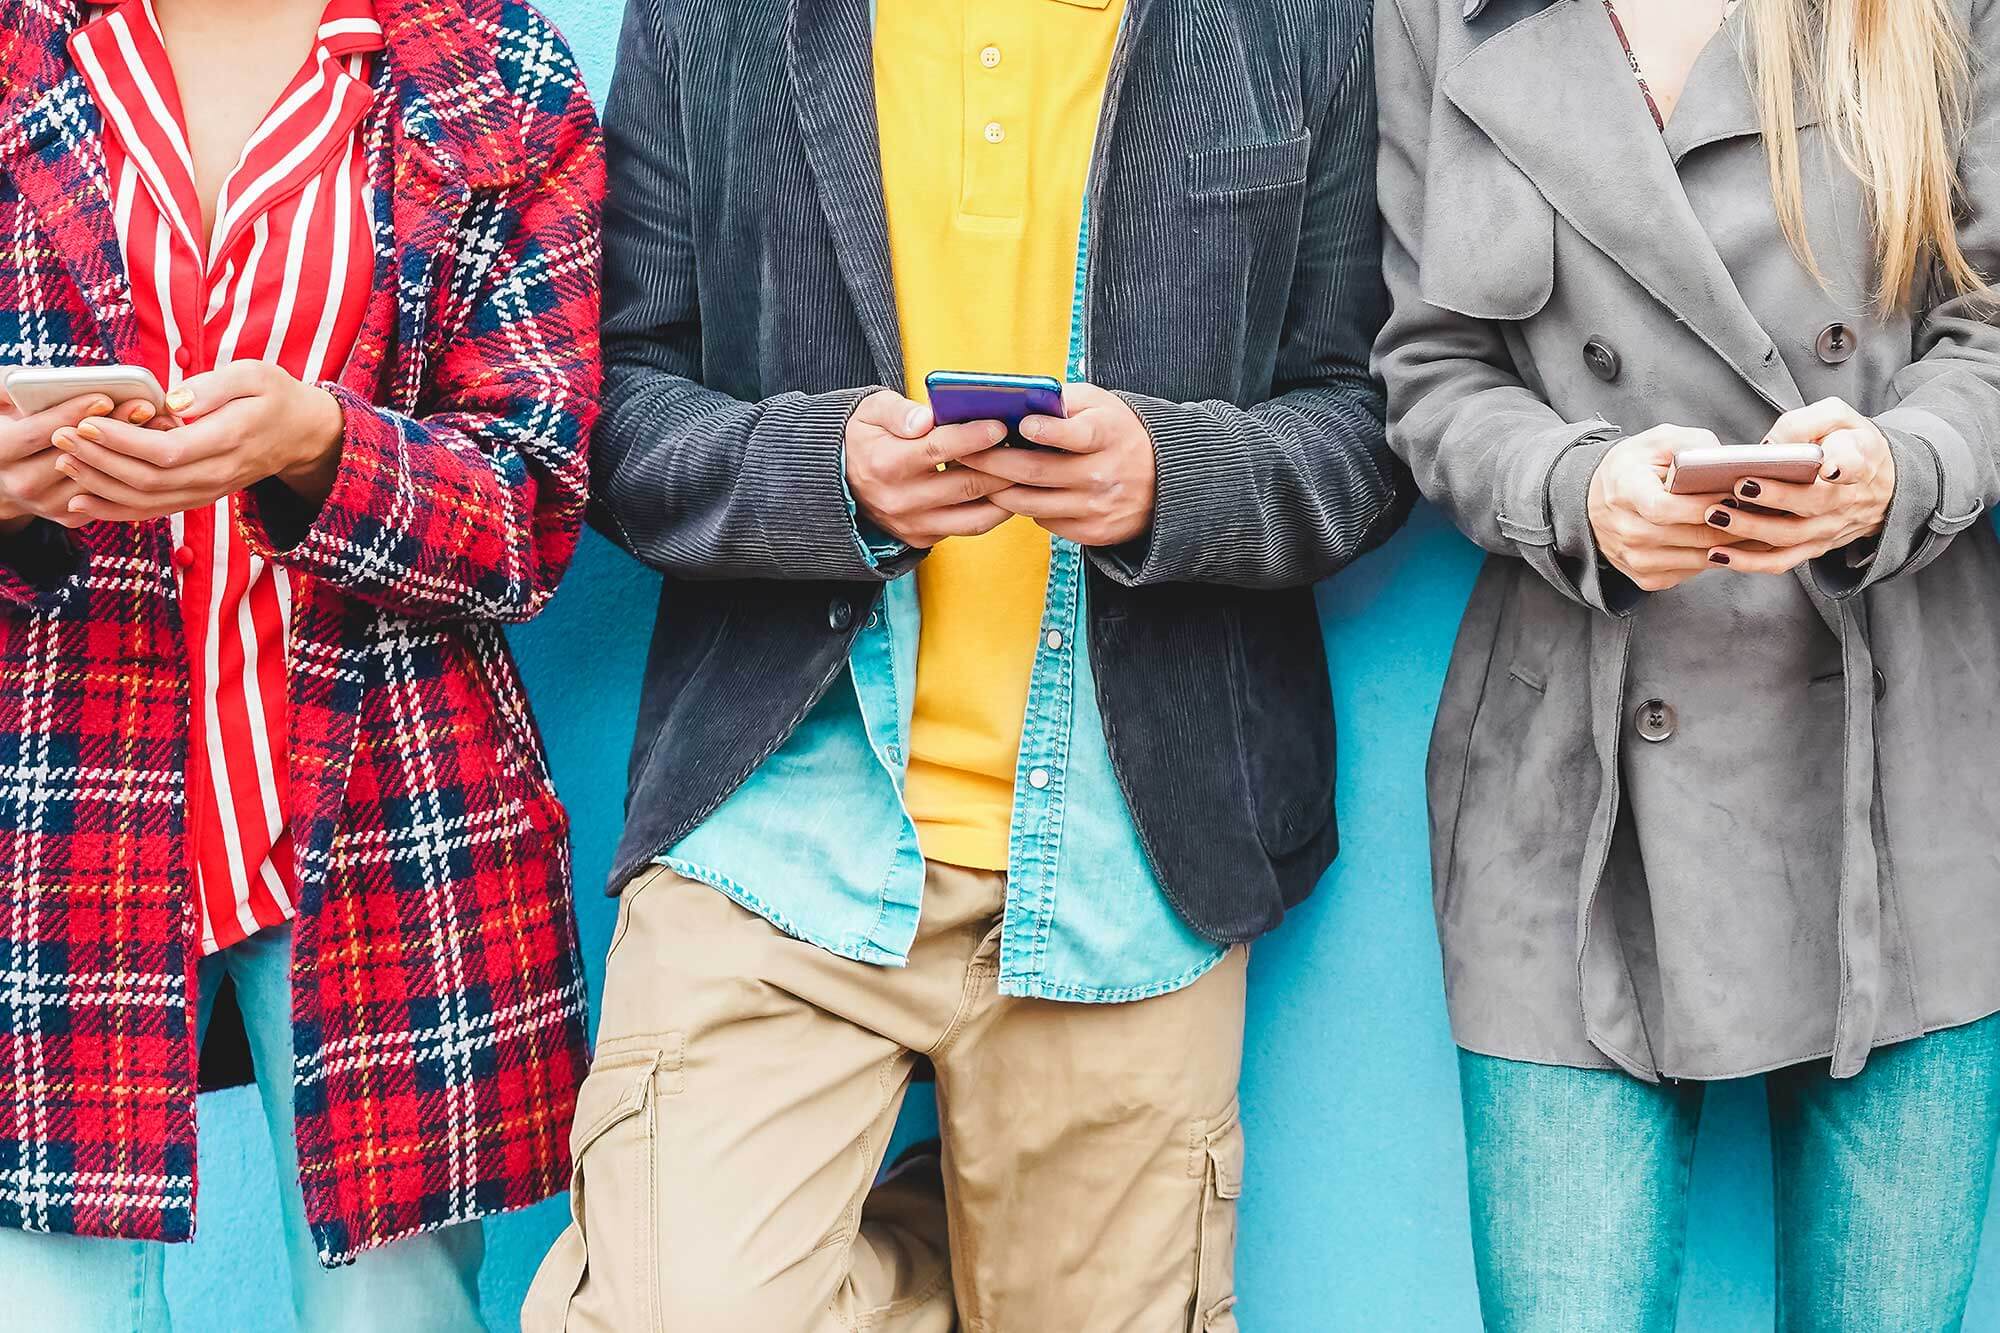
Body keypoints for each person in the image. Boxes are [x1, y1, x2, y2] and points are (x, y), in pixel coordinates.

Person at [524, 0, 1409, 1327]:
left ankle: (1008, 1236)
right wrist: (828, 472)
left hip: (1135, 854)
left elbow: (1367, 420)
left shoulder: (1300, 21)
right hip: (784, 815)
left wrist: (1173, 476)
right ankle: (967, 1242)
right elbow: (617, 403)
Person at [1376, 0, 2000, 1325]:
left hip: (1899, 776)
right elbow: (1433, 369)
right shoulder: (1441, 14)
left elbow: (1993, 328)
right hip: (1570, 789)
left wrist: (1897, 469)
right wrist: (1576, 488)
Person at [0, 0, 602, 1327]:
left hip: (384, 824)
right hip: (49, 815)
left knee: (396, 1315)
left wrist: (325, 444)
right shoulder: (22, 48)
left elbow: (535, 501)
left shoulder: (491, 70)